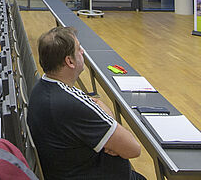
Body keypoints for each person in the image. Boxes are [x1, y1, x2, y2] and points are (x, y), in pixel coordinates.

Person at [28, 27, 143, 179]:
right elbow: (133, 149)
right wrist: (112, 132)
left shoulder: (43, 87)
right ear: (69, 61)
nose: (82, 51)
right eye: (78, 49)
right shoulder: (70, 103)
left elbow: (96, 108)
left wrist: (108, 128)